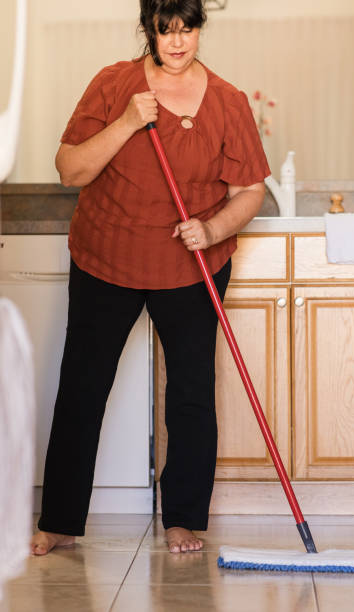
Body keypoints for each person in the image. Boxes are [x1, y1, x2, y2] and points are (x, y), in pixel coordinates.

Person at [31, 0, 270, 556]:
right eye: (166, 31)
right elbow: (70, 170)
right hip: (106, 257)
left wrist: (211, 231)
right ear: (149, 31)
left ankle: (183, 519)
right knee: (83, 388)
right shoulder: (114, 85)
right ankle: (61, 520)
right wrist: (128, 123)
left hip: (191, 265)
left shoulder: (229, 102)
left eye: (188, 30)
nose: (178, 43)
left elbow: (250, 191)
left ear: (200, 30)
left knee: (190, 392)